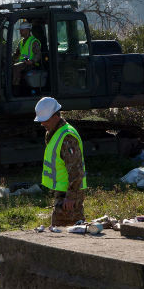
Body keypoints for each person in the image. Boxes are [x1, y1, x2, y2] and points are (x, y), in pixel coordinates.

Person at [34, 97, 86, 226]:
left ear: (55, 117)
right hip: (63, 193)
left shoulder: (67, 136)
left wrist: (71, 196)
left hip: (68, 196)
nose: (42, 123)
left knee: (68, 234)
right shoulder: (55, 133)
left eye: (44, 120)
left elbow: (76, 169)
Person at [12, 21, 41, 88]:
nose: (20, 32)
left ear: (27, 30)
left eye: (22, 30)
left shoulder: (34, 41)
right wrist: (10, 59)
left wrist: (32, 61)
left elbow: (38, 54)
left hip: (31, 64)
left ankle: (15, 88)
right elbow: (17, 54)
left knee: (16, 67)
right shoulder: (21, 42)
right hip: (22, 63)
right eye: (20, 30)